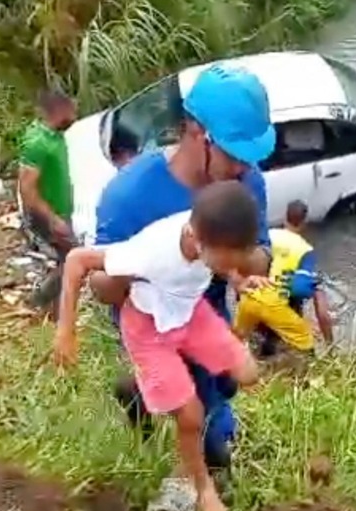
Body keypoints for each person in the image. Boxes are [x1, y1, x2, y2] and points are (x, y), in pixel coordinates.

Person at [90, 63, 275, 480]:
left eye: (251, 158)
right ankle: (214, 475)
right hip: (151, 318)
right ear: (197, 133)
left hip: (205, 305)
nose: (245, 169)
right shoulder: (128, 198)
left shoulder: (244, 182)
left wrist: (230, 259)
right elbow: (101, 289)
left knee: (227, 379)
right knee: (206, 416)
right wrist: (146, 266)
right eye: (235, 155)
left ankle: (141, 391)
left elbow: (259, 254)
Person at [54, 181, 265, 511]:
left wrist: (237, 279)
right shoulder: (150, 251)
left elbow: (222, 258)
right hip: (148, 327)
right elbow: (77, 261)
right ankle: (204, 491)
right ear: (198, 241)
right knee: (191, 414)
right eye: (228, 259)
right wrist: (66, 331)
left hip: (187, 311)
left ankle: (142, 390)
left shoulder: (208, 231)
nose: (234, 264)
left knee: (248, 373)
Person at [234, 199, 333, 355]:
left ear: (285, 217)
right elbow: (300, 290)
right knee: (306, 341)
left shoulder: (267, 236)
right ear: (304, 223)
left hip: (248, 298)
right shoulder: (305, 250)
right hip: (273, 304)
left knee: (235, 342)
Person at [18, 90, 77, 317]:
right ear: (60, 111)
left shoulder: (54, 135)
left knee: (68, 260)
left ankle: (54, 308)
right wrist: (53, 220)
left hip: (60, 211)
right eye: (72, 110)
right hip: (46, 215)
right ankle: (40, 302)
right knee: (73, 260)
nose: (75, 115)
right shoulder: (38, 143)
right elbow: (27, 188)